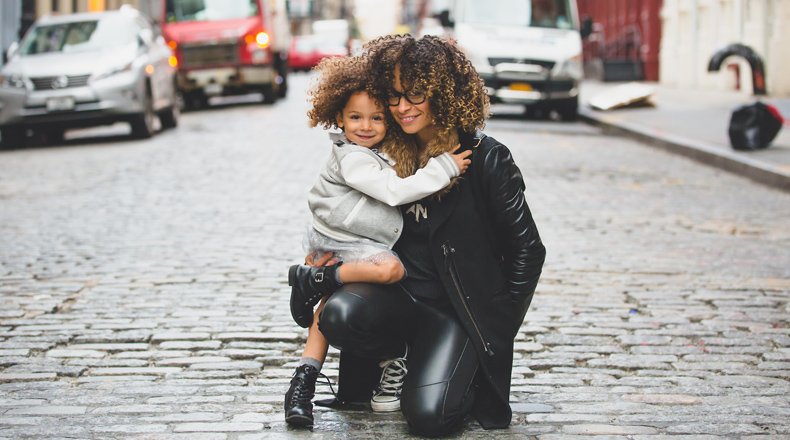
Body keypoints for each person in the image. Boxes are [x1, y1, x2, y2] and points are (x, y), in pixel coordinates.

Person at [313, 35, 546, 437]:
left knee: (429, 419)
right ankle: (399, 359)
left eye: (416, 95)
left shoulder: (486, 158)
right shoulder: (384, 151)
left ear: (444, 93)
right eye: (394, 96)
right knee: (339, 315)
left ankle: (456, 368)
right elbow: (344, 213)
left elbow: (528, 250)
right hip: (398, 299)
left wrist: (495, 328)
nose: (402, 108)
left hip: (456, 312)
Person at [284, 54, 473, 428]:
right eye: (356, 118)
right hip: (348, 240)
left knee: (327, 306)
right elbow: (392, 191)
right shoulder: (353, 158)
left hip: (344, 238)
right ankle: (325, 281)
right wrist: (445, 168)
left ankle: (302, 381)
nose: (366, 126)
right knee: (390, 269)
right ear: (339, 118)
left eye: (376, 118)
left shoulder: (375, 151)